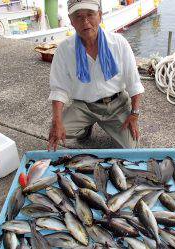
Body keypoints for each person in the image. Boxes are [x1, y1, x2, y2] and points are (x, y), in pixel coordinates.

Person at [48, 0, 144, 151]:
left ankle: (106, 125)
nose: (85, 22)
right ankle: (86, 127)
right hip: (84, 106)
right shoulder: (64, 49)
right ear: (71, 21)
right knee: (57, 131)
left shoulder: (119, 43)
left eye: (90, 14)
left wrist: (134, 114)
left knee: (130, 148)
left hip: (116, 105)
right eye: (78, 16)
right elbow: (59, 89)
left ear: (100, 16)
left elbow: (134, 83)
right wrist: (57, 121)